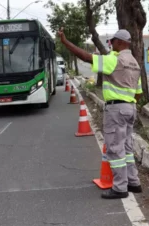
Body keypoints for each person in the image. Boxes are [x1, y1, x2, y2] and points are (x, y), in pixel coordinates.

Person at [58, 28, 142, 199]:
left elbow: (86, 57)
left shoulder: (114, 59)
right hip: (131, 108)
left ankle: (120, 188)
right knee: (126, 148)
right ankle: (134, 182)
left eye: (112, 42)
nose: (110, 45)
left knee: (115, 149)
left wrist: (65, 42)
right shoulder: (135, 63)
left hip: (116, 109)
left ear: (119, 42)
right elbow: (138, 92)